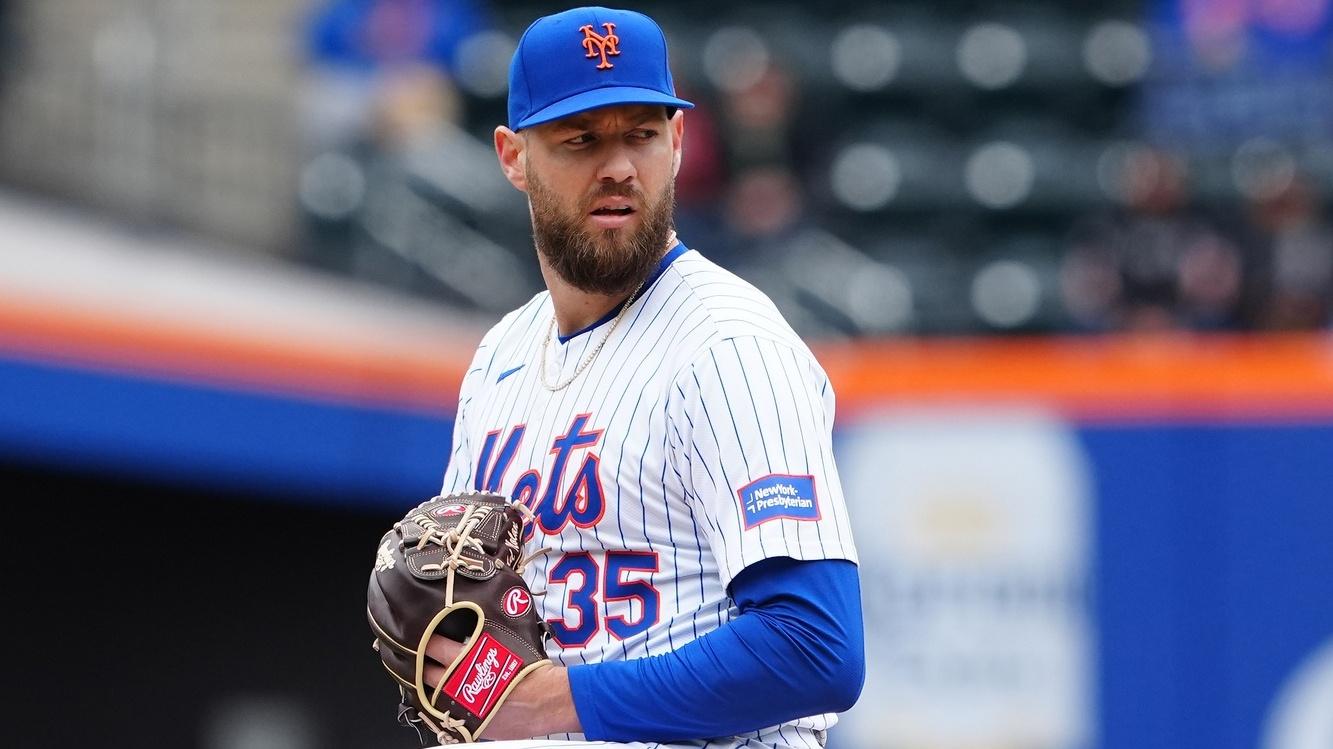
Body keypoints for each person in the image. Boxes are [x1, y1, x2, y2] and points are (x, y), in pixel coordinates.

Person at [427, 7, 864, 748]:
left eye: (641, 133)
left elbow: (814, 645)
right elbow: (476, 630)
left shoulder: (729, 348)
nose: (619, 166)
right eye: (581, 139)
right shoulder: (500, 356)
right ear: (513, 156)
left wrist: (556, 700)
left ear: (680, 141)